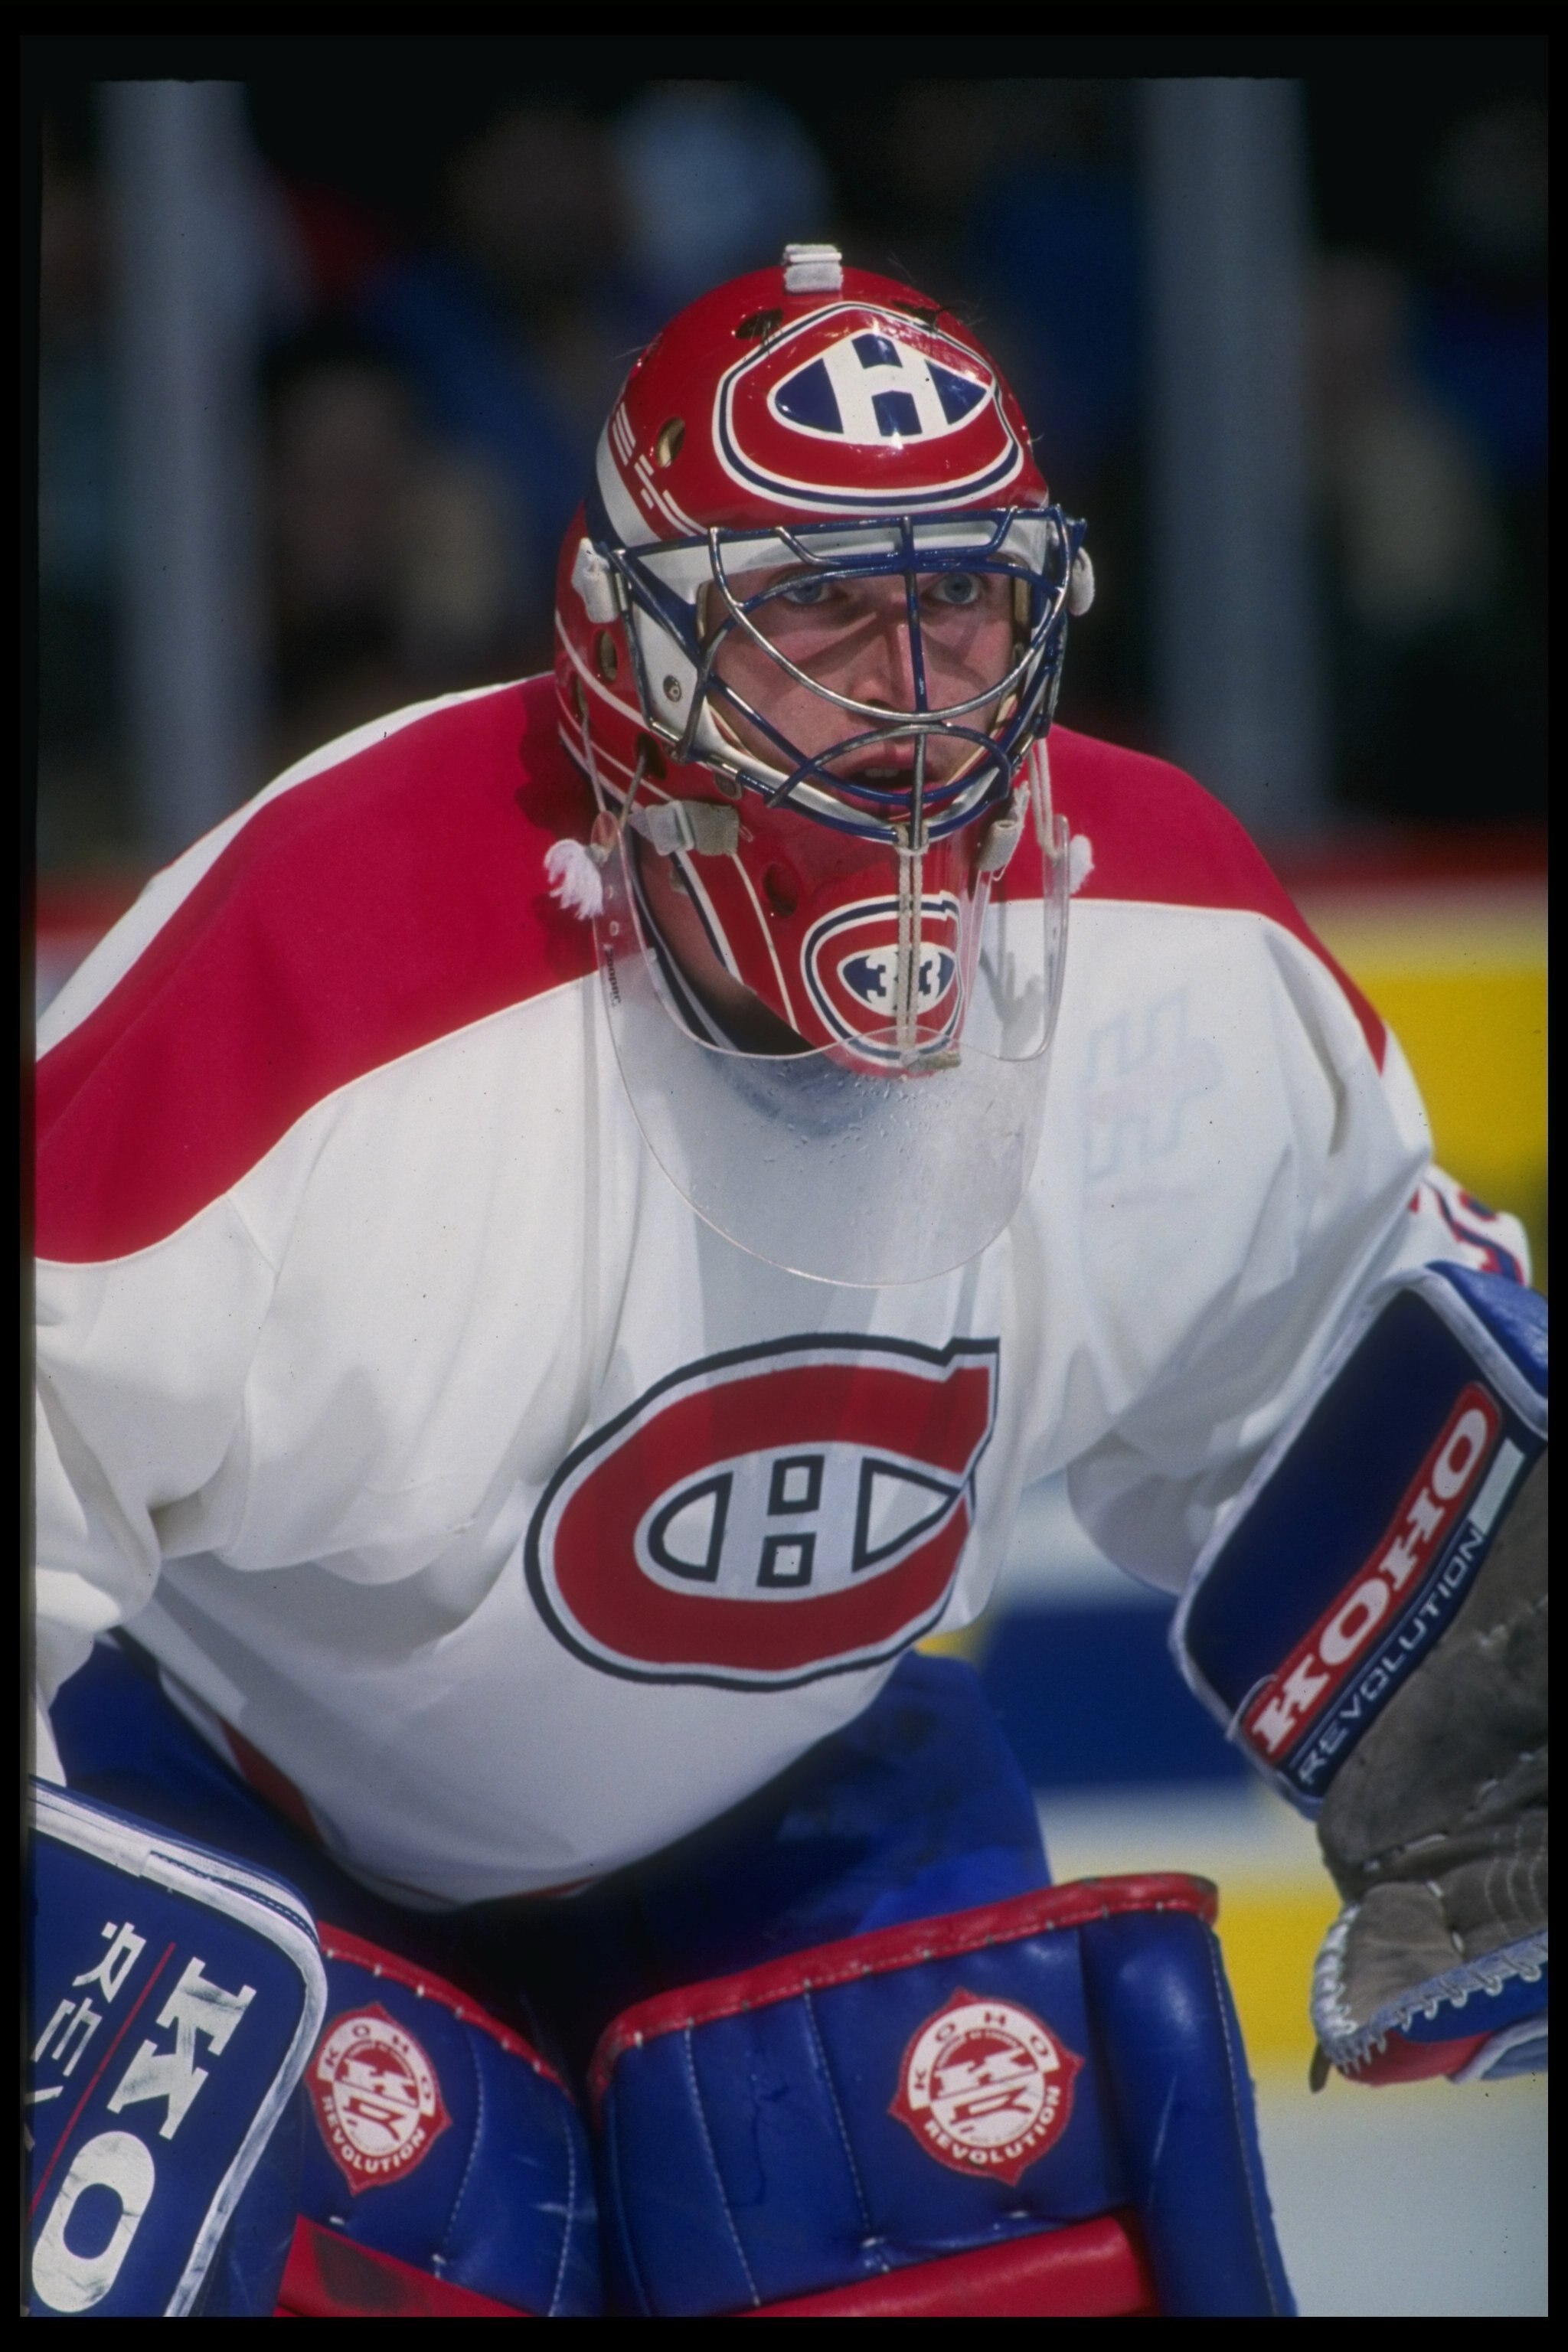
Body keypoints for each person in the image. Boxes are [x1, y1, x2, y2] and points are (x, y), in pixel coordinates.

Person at [30, 247, 1545, 2320]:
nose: (914, 704)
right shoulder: (323, 975)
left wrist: (1502, 1749)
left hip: (813, 1806)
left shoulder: (1165, 948)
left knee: (999, 2209)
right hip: (246, 1820)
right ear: (628, 653)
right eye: (820, 612)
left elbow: (1339, 1343)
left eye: (963, 605)